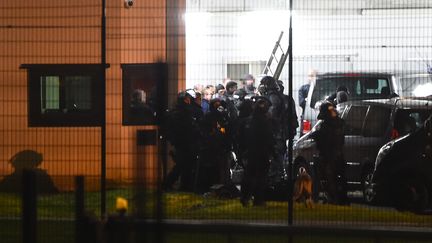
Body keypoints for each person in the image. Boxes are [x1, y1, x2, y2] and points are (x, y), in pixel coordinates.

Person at [310, 101, 348, 205]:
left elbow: (325, 138)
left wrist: (316, 135)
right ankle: (337, 198)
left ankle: (328, 199)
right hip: (338, 155)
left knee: (326, 177)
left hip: (328, 156)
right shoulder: (340, 123)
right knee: (336, 178)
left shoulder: (327, 125)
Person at [239, 97, 274, 206]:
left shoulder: (247, 121)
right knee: (261, 177)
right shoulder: (265, 122)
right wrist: (272, 152)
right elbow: (269, 138)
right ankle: (258, 200)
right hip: (262, 153)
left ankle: (245, 197)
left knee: (249, 175)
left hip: (250, 153)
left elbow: (241, 138)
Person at [163, 91, 201, 192]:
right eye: (188, 98)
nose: (189, 100)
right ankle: (170, 184)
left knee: (183, 165)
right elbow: (187, 128)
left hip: (182, 142)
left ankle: (181, 186)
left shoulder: (178, 111)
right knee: (183, 165)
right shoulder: (183, 112)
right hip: (185, 143)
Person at [259, 76, 286, 185]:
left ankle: (276, 181)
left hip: (276, 133)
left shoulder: (273, 97)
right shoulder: (273, 96)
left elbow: (271, 113)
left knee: (276, 156)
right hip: (276, 131)